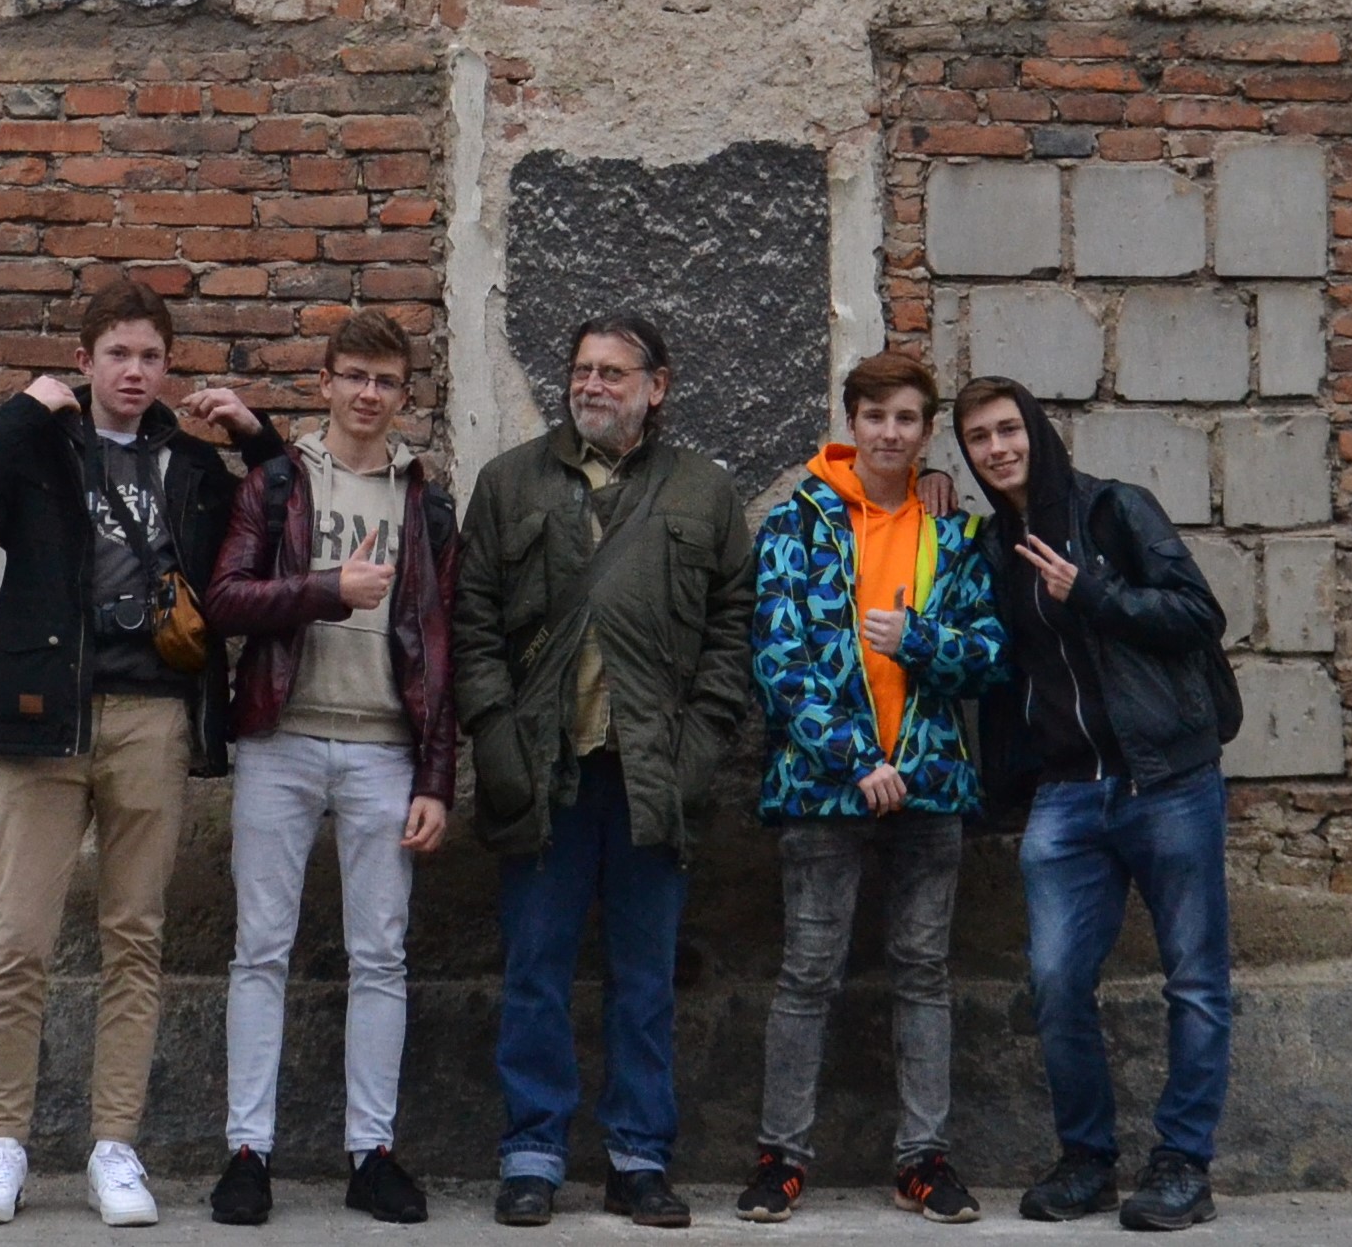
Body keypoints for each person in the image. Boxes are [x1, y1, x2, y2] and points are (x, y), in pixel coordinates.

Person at [0, 279, 282, 1227]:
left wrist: (254, 436)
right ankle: (1, 1144)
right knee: (20, 939)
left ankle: (113, 1146)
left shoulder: (192, 465)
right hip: (47, 715)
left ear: (167, 368)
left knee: (135, 937)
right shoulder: (41, 449)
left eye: (150, 356)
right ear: (84, 362)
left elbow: (282, 525)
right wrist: (22, 408)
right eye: (117, 354)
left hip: (153, 716)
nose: (134, 371)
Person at [454, 312, 756, 1230]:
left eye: (613, 372)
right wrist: (497, 739)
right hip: (542, 772)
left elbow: (732, 629)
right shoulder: (509, 482)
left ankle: (638, 1158)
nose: (591, 385)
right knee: (535, 971)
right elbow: (472, 623)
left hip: (652, 775)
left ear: (656, 387)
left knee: (645, 978)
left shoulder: (703, 490)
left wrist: (701, 743)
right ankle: (531, 1155)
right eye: (582, 369)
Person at [952, 375, 1240, 1233]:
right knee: (1055, 979)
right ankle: (1086, 1160)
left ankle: (1183, 1164)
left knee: (1194, 980)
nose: (997, 447)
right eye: (977, 438)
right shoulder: (991, 547)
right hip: (1067, 792)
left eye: (1008, 429)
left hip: (1167, 780)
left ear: (1036, 433)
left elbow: (1199, 613)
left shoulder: (1115, 509)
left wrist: (1093, 594)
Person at [735, 351, 1007, 1228]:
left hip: (928, 783)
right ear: (851, 421)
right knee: (806, 974)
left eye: (906, 418)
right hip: (825, 788)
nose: (890, 432)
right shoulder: (797, 523)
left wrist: (917, 639)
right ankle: (780, 1157)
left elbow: (988, 655)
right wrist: (856, 758)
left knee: (923, 973)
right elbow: (779, 661)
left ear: (925, 431)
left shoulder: (952, 532)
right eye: (875, 416)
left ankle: (923, 1158)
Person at [199, 310, 459, 1227]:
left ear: (404, 393)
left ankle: (370, 1153)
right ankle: (248, 1152)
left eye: (384, 381)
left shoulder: (425, 502)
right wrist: (325, 590)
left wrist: (436, 780)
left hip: (386, 749)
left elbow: (444, 648)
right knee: (260, 949)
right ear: (325, 381)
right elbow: (224, 599)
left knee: (380, 955)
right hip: (281, 737)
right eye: (352, 375)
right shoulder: (278, 482)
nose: (367, 394)